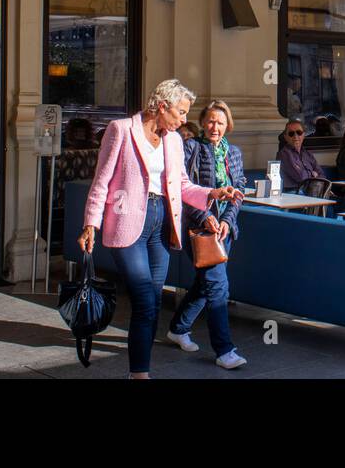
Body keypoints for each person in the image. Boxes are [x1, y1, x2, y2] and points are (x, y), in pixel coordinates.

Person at [78, 80, 243, 378]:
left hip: (161, 225)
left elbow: (181, 186)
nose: (184, 120)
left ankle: (139, 368)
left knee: (152, 302)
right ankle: (139, 373)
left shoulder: (174, 140)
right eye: (180, 112)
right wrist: (91, 223)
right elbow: (101, 181)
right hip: (128, 224)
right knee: (144, 298)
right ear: (162, 106)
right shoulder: (121, 130)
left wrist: (212, 194)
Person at [166, 101, 248, 370]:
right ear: (203, 122)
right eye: (211, 121)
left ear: (228, 126)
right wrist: (206, 216)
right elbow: (183, 189)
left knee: (205, 284)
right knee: (218, 287)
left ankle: (178, 328)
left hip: (225, 231)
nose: (215, 127)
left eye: (220, 123)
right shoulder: (191, 148)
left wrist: (226, 220)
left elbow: (239, 191)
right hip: (199, 229)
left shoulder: (233, 152)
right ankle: (224, 350)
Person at [277, 119, 323, 190]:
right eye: (291, 133)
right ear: (286, 137)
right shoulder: (284, 154)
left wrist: (308, 174)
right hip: (293, 194)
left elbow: (321, 175)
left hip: (311, 191)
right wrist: (312, 173)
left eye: (299, 132)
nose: (295, 136)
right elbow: (300, 177)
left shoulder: (307, 154)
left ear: (304, 135)